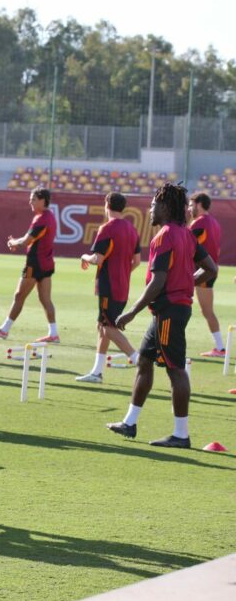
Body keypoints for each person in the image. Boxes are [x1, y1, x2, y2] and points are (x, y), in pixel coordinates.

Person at [107, 183, 217, 447]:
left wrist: (132, 311)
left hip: (169, 311)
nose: (150, 209)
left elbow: (157, 281)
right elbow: (211, 268)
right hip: (167, 311)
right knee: (144, 362)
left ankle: (181, 435)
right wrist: (189, 282)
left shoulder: (165, 235)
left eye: (154, 204)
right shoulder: (186, 234)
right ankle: (130, 423)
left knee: (176, 370)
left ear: (166, 207)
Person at [75, 193, 142, 383]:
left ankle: (138, 360)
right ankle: (97, 372)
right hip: (122, 286)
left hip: (108, 286)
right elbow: (137, 261)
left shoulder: (107, 228)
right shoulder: (132, 229)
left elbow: (97, 259)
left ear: (107, 205)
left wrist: (84, 257)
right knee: (102, 326)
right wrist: (123, 272)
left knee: (108, 327)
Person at [0, 187, 58, 343]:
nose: (30, 201)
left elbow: (27, 240)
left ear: (42, 200)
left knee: (19, 296)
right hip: (46, 263)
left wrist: (13, 242)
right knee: (45, 299)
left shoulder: (41, 219)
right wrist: (18, 242)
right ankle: (53, 333)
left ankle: (4, 330)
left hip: (35, 263)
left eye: (33, 199)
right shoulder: (48, 216)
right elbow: (28, 239)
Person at [188, 192, 225, 357]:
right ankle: (220, 347)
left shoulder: (199, 223)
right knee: (206, 310)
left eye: (191, 205)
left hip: (201, 272)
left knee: (206, 311)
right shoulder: (214, 222)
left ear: (199, 204)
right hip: (209, 270)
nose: (189, 209)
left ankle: (220, 348)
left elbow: (184, 244)